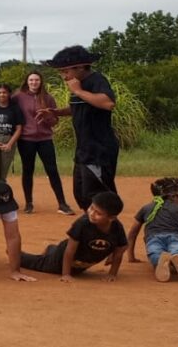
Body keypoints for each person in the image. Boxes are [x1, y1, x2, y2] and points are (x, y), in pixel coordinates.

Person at [47, 46, 120, 210]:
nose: (63, 76)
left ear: (80, 67)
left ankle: (108, 230)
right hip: (84, 150)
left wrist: (78, 91)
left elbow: (108, 103)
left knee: (100, 198)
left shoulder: (96, 80)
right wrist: (57, 112)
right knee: (82, 195)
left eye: (65, 71)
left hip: (99, 150)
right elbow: (80, 107)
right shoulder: (78, 85)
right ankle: (91, 228)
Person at [20, 192, 127, 281]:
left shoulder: (117, 228)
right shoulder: (82, 223)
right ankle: (16, 254)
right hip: (61, 259)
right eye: (91, 208)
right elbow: (70, 250)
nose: (92, 213)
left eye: (98, 213)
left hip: (80, 263)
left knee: (71, 265)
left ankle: (51, 249)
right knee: (38, 263)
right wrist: (66, 274)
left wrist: (112, 274)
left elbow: (120, 249)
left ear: (112, 218)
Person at [13, 71, 73, 215]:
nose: (34, 83)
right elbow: (10, 112)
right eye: (31, 80)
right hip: (26, 139)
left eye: (37, 80)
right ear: (27, 81)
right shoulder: (18, 97)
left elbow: (55, 119)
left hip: (45, 138)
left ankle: (62, 204)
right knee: (28, 170)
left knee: (52, 170)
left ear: (41, 82)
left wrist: (47, 118)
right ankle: (28, 203)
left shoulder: (48, 98)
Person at [128, 177, 178, 283]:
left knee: (155, 252)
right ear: (174, 196)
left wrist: (131, 258)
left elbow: (132, 234)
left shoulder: (146, 208)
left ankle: (160, 261)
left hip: (153, 238)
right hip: (175, 236)